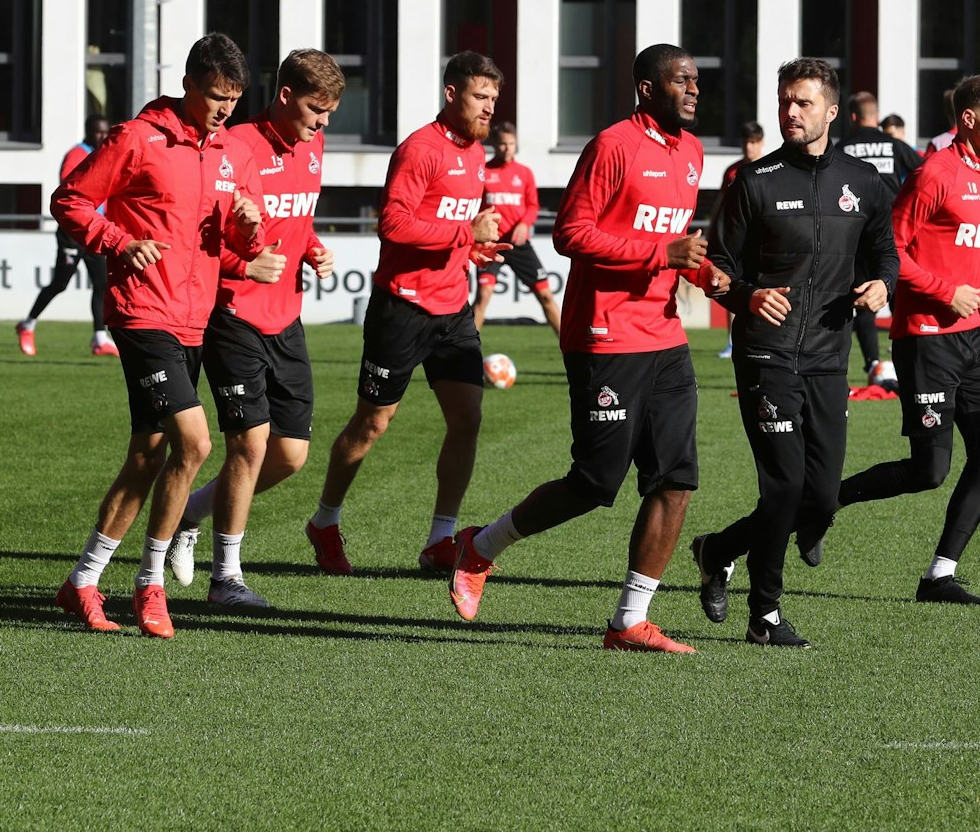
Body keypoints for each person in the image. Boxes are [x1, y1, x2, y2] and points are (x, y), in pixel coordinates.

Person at [447, 44, 725, 653]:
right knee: (596, 482)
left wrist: (708, 275)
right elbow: (572, 233)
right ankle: (478, 547)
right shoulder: (612, 145)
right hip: (605, 336)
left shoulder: (692, 153)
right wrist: (662, 255)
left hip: (666, 336)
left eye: (697, 81)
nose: (694, 90)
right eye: (682, 81)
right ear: (648, 90)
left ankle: (629, 619)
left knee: (675, 481)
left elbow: (673, 240)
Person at [49, 34, 265, 638]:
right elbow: (70, 200)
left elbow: (238, 245)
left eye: (234, 99)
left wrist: (249, 227)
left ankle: (83, 581)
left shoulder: (229, 151)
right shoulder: (137, 138)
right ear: (191, 85)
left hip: (194, 317)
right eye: (218, 97)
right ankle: (150, 585)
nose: (226, 110)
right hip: (142, 312)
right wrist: (120, 242)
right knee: (194, 444)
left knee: (147, 455)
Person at [690, 58, 896, 648]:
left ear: (832, 111)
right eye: (786, 101)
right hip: (767, 356)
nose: (791, 112)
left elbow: (886, 254)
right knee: (782, 488)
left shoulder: (864, 181)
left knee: (822, 498)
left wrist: (885, 284)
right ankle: (766, 614)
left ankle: (718, 548)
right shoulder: (754, 182)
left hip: (830, 359)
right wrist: (750, 299)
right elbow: (714, 268)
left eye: (804, 103)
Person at [832, 75, 980, 605]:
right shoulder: (932, 174)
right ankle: (825, 502)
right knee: (930, 471)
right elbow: (890, 253)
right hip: (926, 339)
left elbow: (978, 257)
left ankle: (939, 575)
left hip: (976, 340)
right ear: (968, 119)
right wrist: (947, 292)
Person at [305, 51, 506, 576]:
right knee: (372, 425)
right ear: (452, 94)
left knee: (468, 418)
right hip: (402, 309)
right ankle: (325, 521)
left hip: (453, 310)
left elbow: (444, 228)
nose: (489, 108)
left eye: (493, 99)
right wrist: (466, 234)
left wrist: (469, 251)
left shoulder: (476, 153)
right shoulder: (421, 149)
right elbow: (393, 225)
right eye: (481, 97)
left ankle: (440, 538)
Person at [165, 49, 343, 608]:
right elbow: (201, 238)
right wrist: (246, 262)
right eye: (317, 108)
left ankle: (190, 514)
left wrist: (309, 247)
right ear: (285, 95)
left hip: (285, 315)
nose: (323, 122)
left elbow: (298, 216)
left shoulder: (313, 144)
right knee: (249, 444)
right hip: (233, 314)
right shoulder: (235, 146)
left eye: (330, 111)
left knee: (289, 456)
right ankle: (227, 578)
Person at [838, 91, 922, 378]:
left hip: (858, 234)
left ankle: (873, 362)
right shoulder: (894, 145)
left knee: (863, 300)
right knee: (901, 299)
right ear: (875, 116)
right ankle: (908, 360)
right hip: (894, 234)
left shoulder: (843, 147)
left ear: (851, 117)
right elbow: (924, 173)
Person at [18, 116, 115, 357]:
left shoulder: (103, 154)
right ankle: (27, 324)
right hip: (73, 233)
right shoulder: (76, 154)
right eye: (98, 132)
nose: (102, 137)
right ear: (88, 132)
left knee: (102, 284)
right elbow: (68, 192)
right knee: (60, 283)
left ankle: (99, 338)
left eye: (105, 133)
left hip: (95, 231)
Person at [471, 123, 561, 336]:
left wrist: (524, 223)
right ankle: (466, 352)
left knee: (546, 296)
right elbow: (473, 205)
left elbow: (532, 206)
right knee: (483, 296)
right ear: (494, 144)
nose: (507, 148)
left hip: (519, 244)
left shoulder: (524, 173)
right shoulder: (483, 172)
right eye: (502, 143)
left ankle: (571, 352)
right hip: (490, 245)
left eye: (511, 144)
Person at [717, 122, 765, 360]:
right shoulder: (732, 172)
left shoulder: (769, 168)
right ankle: (731, 341)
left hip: (761, 241)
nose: (749, 147)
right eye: (746, 142)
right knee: (731, 284)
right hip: (737, 240)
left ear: (761, 143)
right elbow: (721, 205)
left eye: (754, 142)